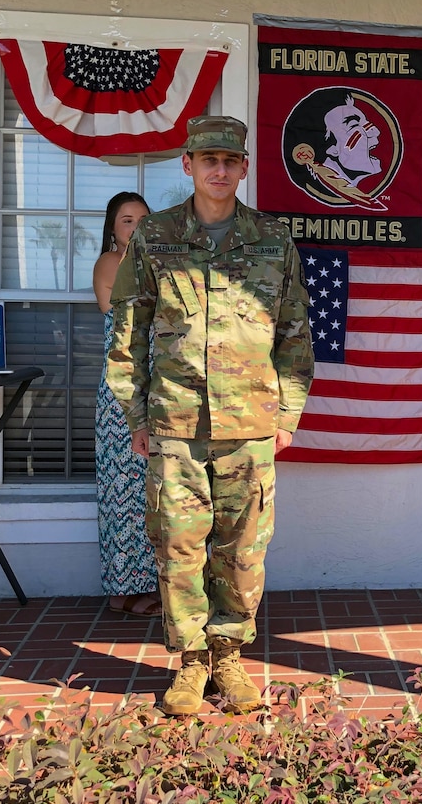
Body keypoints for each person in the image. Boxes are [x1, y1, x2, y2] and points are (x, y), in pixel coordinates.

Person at [107, 116, 315, 716]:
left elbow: (295, 333)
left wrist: (287, 414)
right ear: (188, 164)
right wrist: (136, 413)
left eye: (229, 161)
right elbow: (128, 332)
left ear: (244, 168)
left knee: (242, 549)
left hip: (251, 423)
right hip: (174, 424)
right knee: (178, 547)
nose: (218, 170)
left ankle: (229, 658)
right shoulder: (155, 236)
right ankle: (190, 664)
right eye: (207, 160)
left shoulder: (274, 239)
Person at [92, 191, 160, 618]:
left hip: (159, 390)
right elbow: (124, 316)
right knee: (123, 491)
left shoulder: (155, 265)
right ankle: (124, 592)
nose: (135, 228)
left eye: (142, 221)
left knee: (150, 492)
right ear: (113, 228)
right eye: (126, 221)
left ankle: (149, 584)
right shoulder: (110, 264)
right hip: (124, 392)